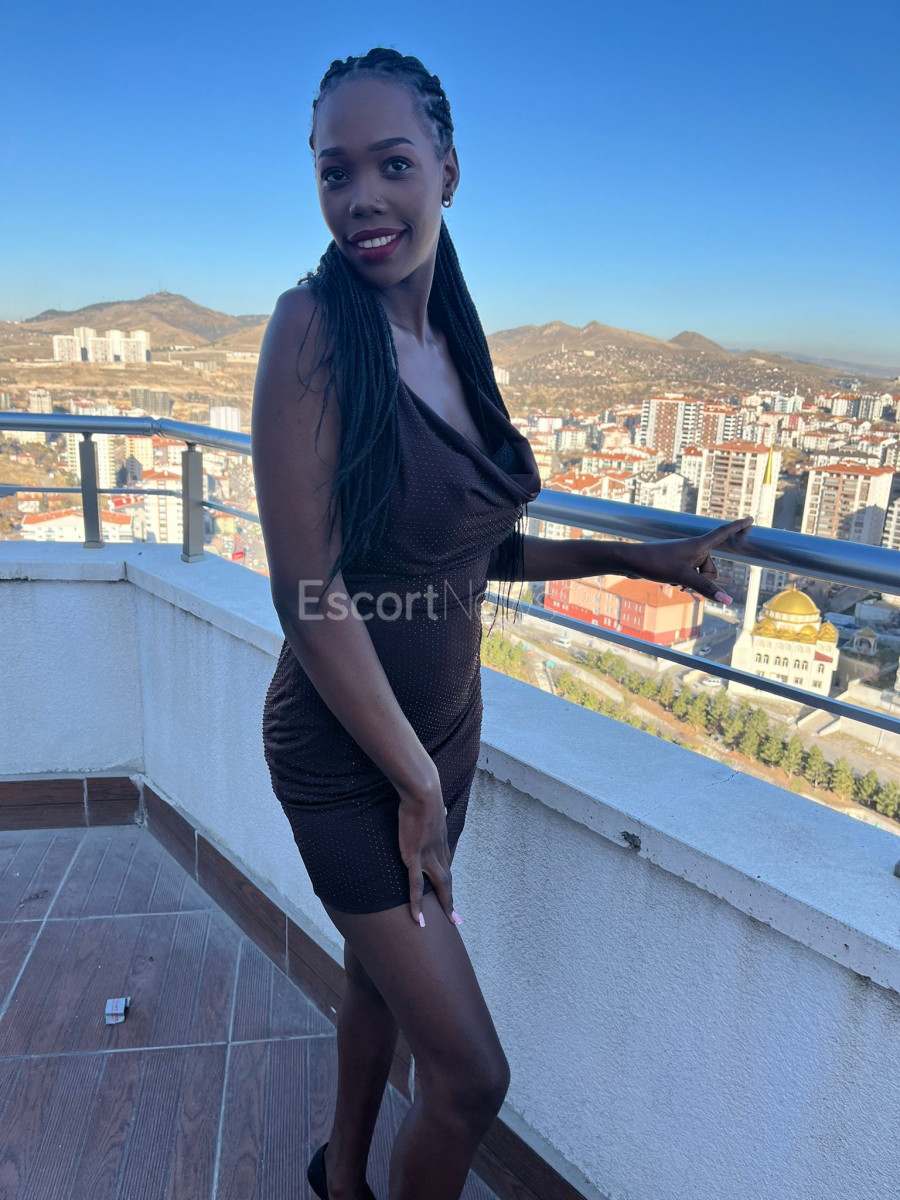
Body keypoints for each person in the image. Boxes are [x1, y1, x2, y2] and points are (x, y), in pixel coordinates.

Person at [251, 47, 753, 1200]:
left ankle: (340, 1178)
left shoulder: (454, 349)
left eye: (392, 164)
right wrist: (413, 785)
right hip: (351, 765)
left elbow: (469, 550)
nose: (362, 197)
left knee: (377, 984)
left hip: (440, 749)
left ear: (448, 171)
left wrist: (637, 557)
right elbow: (306, 593)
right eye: (335, 172)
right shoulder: (311, 329)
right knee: (472, 1080)